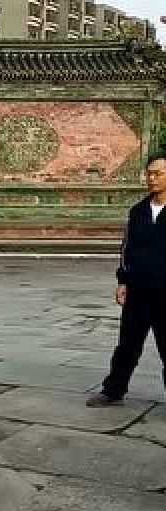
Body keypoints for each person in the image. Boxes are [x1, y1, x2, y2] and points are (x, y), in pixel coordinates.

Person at [87, 150, 166, 406]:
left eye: (158, 174)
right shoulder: (138, 211)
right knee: (127, 345)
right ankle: (113, 390)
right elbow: (126, 248)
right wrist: (123, 280)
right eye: (149, 174)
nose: (152, 179)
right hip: (139, 290)